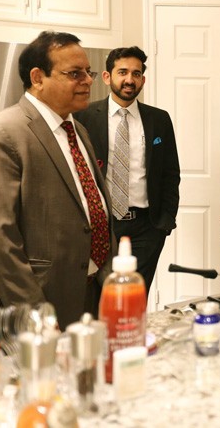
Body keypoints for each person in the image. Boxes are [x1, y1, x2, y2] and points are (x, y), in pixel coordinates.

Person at [0, 31, 116, 339]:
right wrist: (36, 315)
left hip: (85, 296)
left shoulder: (78, 130)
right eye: (75, 74)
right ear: (38, 77)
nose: (88, 80)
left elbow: (91, 208)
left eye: (87, 72)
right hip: (31, 309)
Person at [75, 46, 181, 294]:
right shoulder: (84, 117)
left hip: (147, 228)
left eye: (136, 73)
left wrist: (164, 224)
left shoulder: (159, 119)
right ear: (107, 76)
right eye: (122, 72)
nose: (129, 79)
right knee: (101, 297)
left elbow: (170, 173)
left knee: (135, 298)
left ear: (142, 79)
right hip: (102, 226)